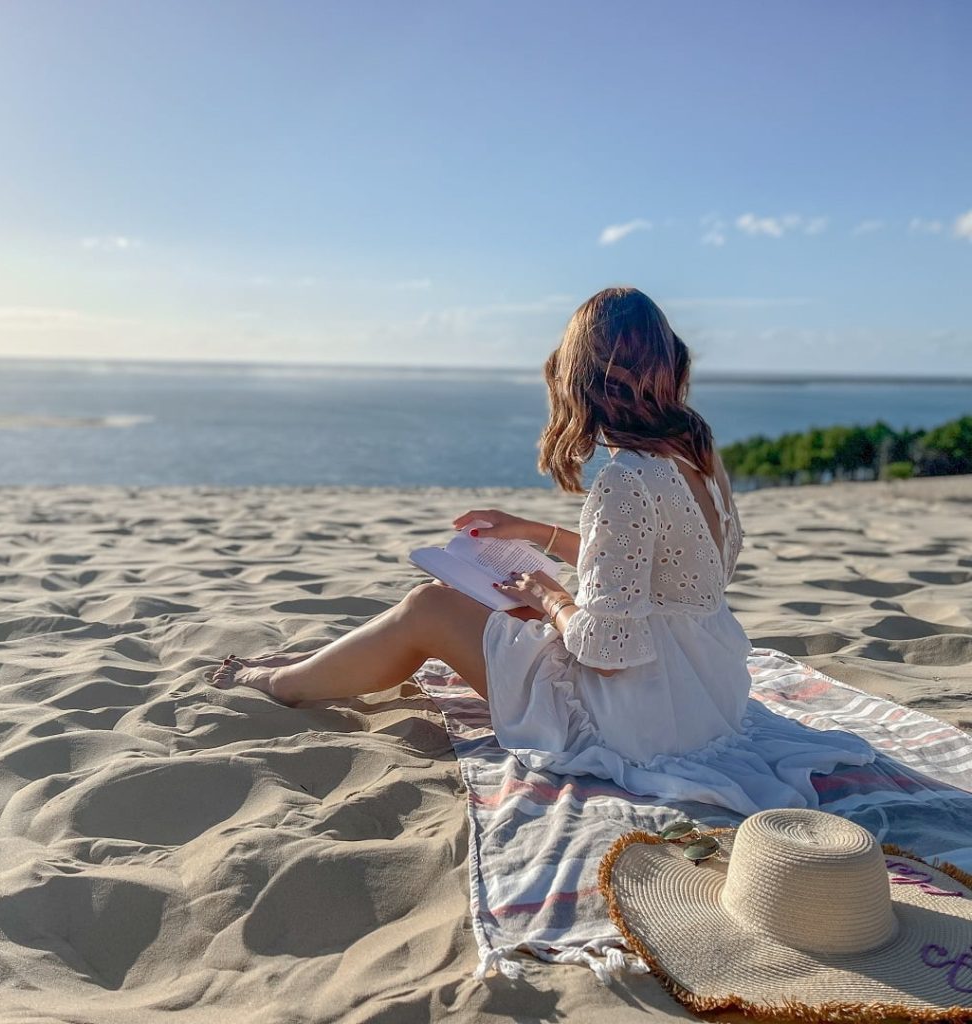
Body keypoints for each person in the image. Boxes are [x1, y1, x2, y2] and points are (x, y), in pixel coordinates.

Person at [209, 285, 875, 816]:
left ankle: (280, 684)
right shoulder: (695, 454)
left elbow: (607, 648)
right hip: (705, 693)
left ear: (582, 379)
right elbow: (672, 568)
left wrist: (551, 596)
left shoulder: (625, 478)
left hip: (641, 718)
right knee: (478, 606)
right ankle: (307, 665)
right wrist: (532, 532)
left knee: (429, 608)